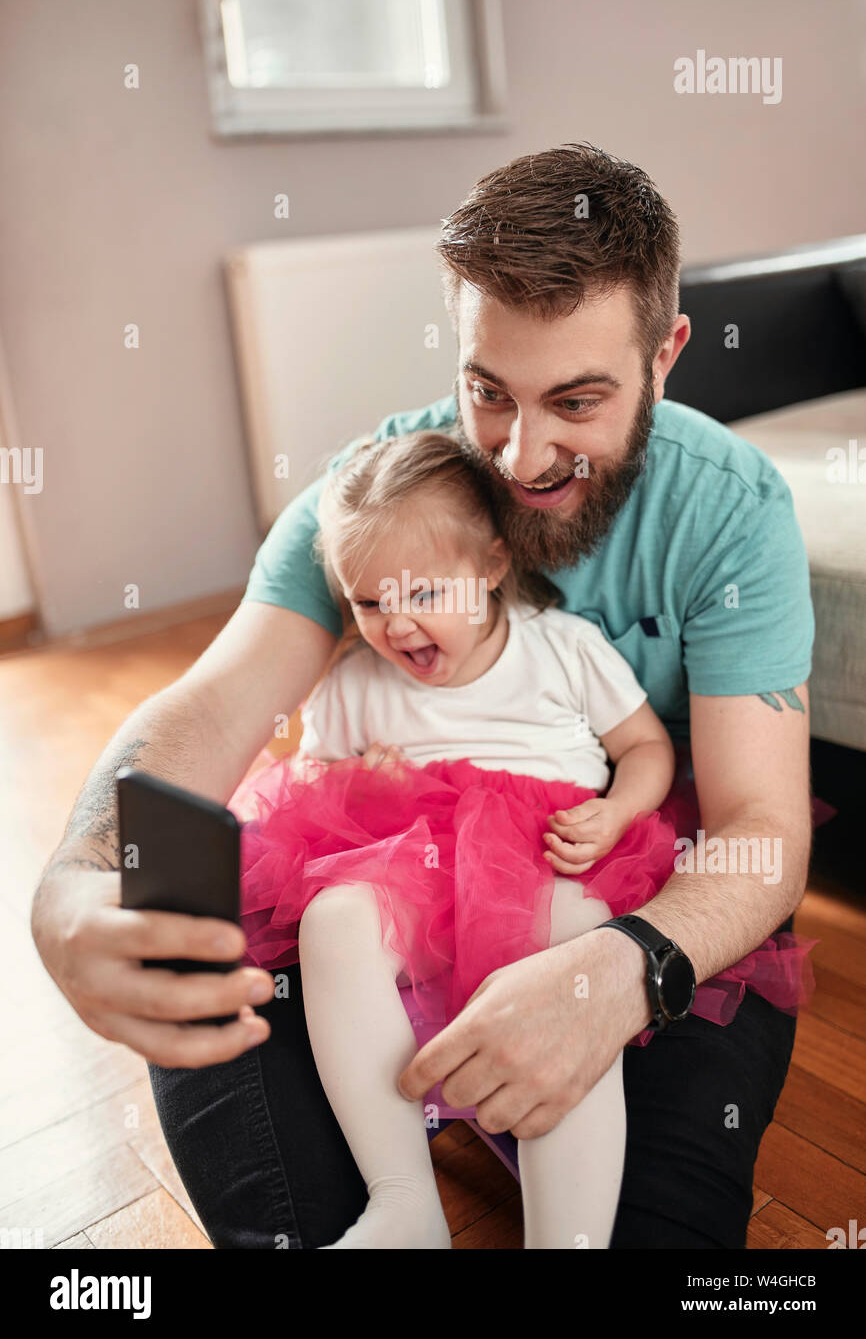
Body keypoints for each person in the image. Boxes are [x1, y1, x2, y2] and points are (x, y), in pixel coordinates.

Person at [31, 142, 816, 1250]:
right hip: (395, 884)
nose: (523, 453)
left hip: (628, 899)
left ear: (665, 353)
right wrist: (71, 878)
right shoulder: (371, 499)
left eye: (575, 400)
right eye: (487, 392)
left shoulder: (731, 510)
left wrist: (611, 972)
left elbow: (760, 832)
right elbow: (209, 712)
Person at [228, 428, 814, 1249]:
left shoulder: (561, 649)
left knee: (572, 961)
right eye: (368, 603)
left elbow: (645, 749)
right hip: (410, 867)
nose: (395, 626)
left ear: (493, 566)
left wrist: (615, 812)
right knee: (333, 920)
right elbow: (316, 785)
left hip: (545, 854)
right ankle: (402, 1202)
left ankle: (565, 1235)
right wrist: (368, 774)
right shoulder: (357, 683)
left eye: (423, 594)